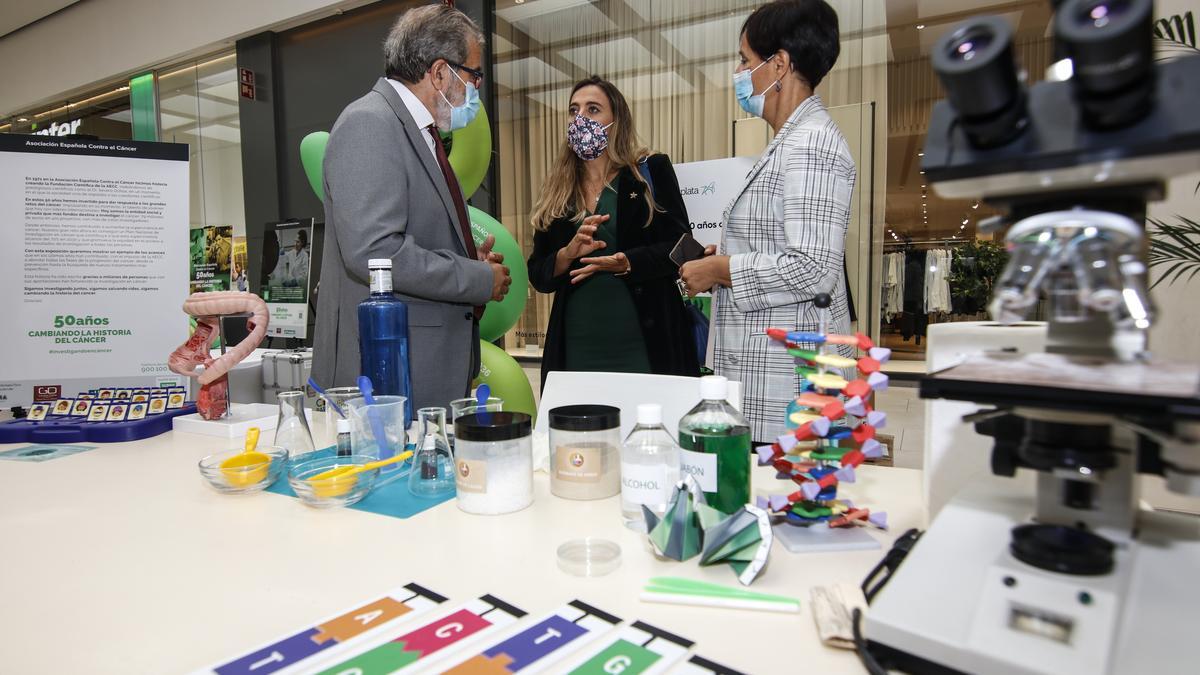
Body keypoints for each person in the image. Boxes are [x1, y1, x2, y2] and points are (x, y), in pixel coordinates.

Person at [312, 5, 511, 412]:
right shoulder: (370, 123)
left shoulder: (415, 131)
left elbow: (408, 239)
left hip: (419, 366)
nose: (475, 88)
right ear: (439, 73)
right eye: (473, 75)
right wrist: (476, 277)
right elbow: (374, 252)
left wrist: (468, 259)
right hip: (389, 372)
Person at [680, 0, 855, 443]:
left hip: (789, 386)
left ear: (779, 65)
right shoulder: (791, 141)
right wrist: (730, 258)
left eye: (745, 60)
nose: (739, 72)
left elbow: (814, 269)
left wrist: (724, 270)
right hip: (768, 375)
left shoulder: (812, 144)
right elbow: (785, 248)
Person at [527, 76, 699, 389]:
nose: (581, 118)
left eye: (593, 109)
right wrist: (566, 255)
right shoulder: (557, 191)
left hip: (645, 345)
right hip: (576, 349)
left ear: (616, 120)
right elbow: (538, 274)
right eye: (573, 110)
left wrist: (627, 262)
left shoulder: (650, 172)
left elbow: (683, 248)